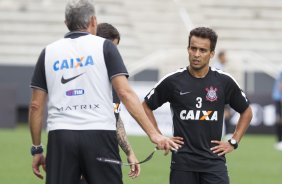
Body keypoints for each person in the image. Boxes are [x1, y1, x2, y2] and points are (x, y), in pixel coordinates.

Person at [28, 1, 182, 184]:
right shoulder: (105, 47)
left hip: (60, 136)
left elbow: (36, 106)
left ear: (65, 22)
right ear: (93, 21)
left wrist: (37, 149)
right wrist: (154, 134)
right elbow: (125, 93)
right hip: (99, 135)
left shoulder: (48, 52)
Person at [142, 27, 253, 184]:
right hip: (182, 165)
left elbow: (246, 111)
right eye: (193, 48)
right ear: (188, 49)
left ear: (212, 54)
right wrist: (158, 135)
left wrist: (233, 141)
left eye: (202, 50)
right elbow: (145, 107)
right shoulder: (173, 80)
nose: (196, 54)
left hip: (214, 163)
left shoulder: (224, 81)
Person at [79, 23, 140, 184]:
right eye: (112, 48)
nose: (115, 53)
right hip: (80, 158)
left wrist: (129, 152)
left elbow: (115, 118)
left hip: (107, 155)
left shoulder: (114, 80)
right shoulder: (79, 77)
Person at [212, 51, 232, 139]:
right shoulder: (217, 67)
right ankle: (226, 133)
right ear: (220, 57)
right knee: (226, 113)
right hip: (220, 93)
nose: (226, 58)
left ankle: (226, 133)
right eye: (224, 56)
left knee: (225, 113)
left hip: (221, 92)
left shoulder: (219, 66)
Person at [272, 72, 282, 150]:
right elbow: (280, 85)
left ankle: (280, 141)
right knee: (279, 119)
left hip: (278, 98)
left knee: (279, 119)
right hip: (279, 99)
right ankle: (280, 141)